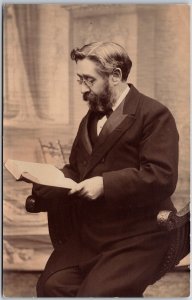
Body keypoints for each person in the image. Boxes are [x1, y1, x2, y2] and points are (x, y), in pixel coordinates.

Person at [31, 41, 179, 297]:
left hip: (140, 236)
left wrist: (105, 184)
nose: (82, 89)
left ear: (116, 75)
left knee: (95, 294)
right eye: (79, 79)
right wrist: (49, 180)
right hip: (94, 234)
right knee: (51, 286)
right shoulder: (90, 118)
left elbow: (162, 176)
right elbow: (78, 170)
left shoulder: (154, 115)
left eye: (88, 80)